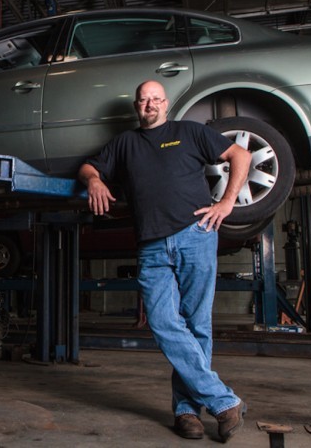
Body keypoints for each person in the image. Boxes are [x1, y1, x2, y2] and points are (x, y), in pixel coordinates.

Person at [78, 80, 251, 442]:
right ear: (137, 106)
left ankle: (187, 412)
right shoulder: (125, 143)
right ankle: (224, 402)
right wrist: (94, 181)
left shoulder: (189, 132)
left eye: (156, 99)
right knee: (162, 322)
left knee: (196, 325)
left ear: (166, 104)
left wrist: (227, 202)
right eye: (143, 100)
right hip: (152, 246)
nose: (149, 104)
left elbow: (241, 155)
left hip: (196, 235)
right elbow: (88, 168)